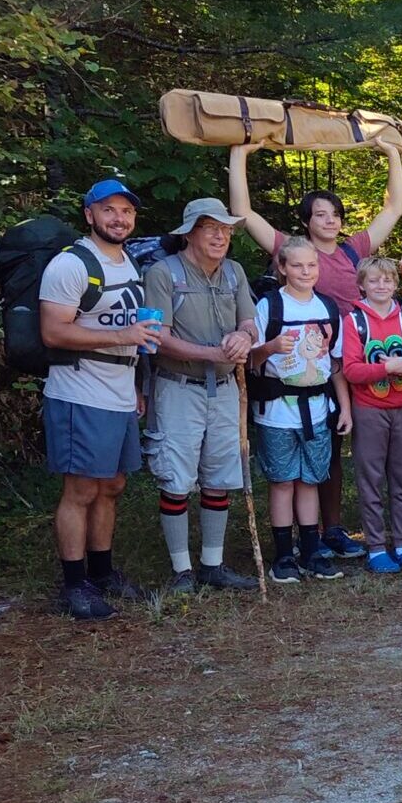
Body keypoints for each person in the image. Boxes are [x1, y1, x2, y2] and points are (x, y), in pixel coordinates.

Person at [227, 145, 402, 560]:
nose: (330, 220)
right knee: (319, 452)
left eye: (336, 214)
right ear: (306, 222)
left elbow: (393, 208)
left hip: (355, 360)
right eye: (321, 214)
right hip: (306, 369)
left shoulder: (351, 251)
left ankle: (364, 529)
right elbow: (243, 212)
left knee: (352, 448)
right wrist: (241, 153)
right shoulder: (291, 251)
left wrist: (392, 153)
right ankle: (325, 533)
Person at [38, 179, 161, 618]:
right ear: (89, 214)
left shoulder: (127, 261)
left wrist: (135, 385)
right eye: (108, 210)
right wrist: (121, 336)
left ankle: (103, 573)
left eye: (126, 211)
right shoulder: (71, 264)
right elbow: (53, 331)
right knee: (81, 488)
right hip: (79, 389)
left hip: (119, 389)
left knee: (113, 485)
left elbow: (133, 332)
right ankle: (75, 585)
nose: (119, 218)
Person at [140, 196, 259, 593]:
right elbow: (157, 339)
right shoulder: (162, 273)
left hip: (225, 389)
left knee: (219, 476)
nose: (220, 235)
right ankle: (181, 572)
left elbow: (249, 321)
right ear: (189, 232)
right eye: (210, 227)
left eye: (225, 228)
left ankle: (212, 565)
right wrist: (215, 353)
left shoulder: (235, 272)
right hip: (177, 388)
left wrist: (244, 337)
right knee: (176, 477)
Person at [247, 235, 353, 583]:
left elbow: (335, 364)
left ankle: (310, 550)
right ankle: (283, 556)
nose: (305, 271)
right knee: (282, 481)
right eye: (297, 265)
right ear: (282, 268)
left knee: (310, 480)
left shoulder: (327, 307)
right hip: (276, 411)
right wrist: (272, 346)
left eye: (311, 265)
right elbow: (250, 359)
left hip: (318, 409)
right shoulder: (270, 306)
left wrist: (345, 408)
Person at [342, 255, 402, 572]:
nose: (381, 285)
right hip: (369, 409)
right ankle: (377, 548)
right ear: (362, 285)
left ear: (396, 284)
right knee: (371, 478)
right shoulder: (354, 321)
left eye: (387, 280)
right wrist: (386, 367)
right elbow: (351, 370)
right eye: (373, 280)